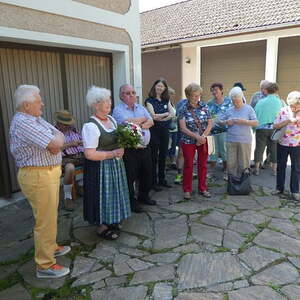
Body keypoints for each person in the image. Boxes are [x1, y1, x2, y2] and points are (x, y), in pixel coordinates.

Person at [9, 85, 70, 279]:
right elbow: (57, 143)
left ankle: (51, 247)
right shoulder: (23, 122)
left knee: (49, 216)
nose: (42, 103)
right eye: (38, 100)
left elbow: (59, 135)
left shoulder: (35, 119)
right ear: (26, 105)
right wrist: (55, 142)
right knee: (44, 220)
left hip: (46, 174)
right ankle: (44, 265)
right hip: (38, 176)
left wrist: (56, 142)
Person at [82, 86, 131, 240]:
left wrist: (122, 146)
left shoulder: (111, 120)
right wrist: (113, 153)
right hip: (100, 167)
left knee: (115, 192)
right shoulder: (90, 126)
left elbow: (118, 139)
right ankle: (102, 227)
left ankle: (112, 220)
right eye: (105, 101)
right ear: (96, 105)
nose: (109, 103)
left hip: (115, 164)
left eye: (109, 100)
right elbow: (89, 154)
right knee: (102, 195)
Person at [113, 84, 155, 213]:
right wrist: (142, 120)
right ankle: (131, 202)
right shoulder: (118, 110)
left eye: (133, 92)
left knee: (147, 173)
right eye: (127, 93)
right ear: (121, 96)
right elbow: (126, 123)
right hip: (130, 149)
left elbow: (151, 121)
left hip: (145, 148)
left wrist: (138, 124)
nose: (132, 95)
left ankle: (143, 196)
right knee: (130, 177)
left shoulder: (140, 107)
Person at [178, 83, 213, 199]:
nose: (197, 98)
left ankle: (202, 188)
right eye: (194, 96)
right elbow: (183, 127)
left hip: (203, 139)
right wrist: (196, 137)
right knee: (188, 164)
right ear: (188, 95)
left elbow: (210, 123)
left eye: (199, 95)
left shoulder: (204, 105)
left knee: (203, 165)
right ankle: (187, 189)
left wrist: (202, 137)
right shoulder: (183, 108)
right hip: (188, 140)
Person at [218, 87, 258, 177]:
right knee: (231, 163)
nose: (235, 103)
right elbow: (220, 122)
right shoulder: (229, 110)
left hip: (245, 140)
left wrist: (244, 121)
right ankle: (232, 183)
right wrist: (226, 122)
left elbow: (256, 123)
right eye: (233, 101)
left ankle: (243, 183)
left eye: (237, 101)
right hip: (231, 140)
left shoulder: (249, 109)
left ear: (242, 98)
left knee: (243, 163)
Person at [145, 79, 175, 189]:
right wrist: (166, 114)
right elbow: (153, 116)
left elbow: (172, 114)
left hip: (165, 131)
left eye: (162, 86)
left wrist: (161, 116)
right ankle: (153, 182)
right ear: (154, 87)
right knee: (154, 157)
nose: (160, 88)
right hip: (154, 131)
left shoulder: (166, 100)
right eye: (158, 86)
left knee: (163, 155)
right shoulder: (149, 101)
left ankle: (162, 179)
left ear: (165, 88)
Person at [54, 110, 84, 211]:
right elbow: (54, 148)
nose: (67, 126)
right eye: (65, 125)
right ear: (59, 123)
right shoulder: (54, 132)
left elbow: (81, 141)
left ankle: (81, 186)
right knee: (70, 168)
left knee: (93, 161)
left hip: (79, 155)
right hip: (64, 159)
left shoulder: (73, 130)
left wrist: (81, 142)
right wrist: (71, 144)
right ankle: (68, 197)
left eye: (68, 124)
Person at [273, 91, 300, 201]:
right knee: (281, 167)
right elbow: (275, 125)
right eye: (291, 105)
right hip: (283, 143)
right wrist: (288, 121)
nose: (293, 108)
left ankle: (295, 191)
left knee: (296, 169)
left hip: (297, 145)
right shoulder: (283, 111)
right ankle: (279, 188)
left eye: (296, 106)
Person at [253, 83, 282, 176]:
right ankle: (274, 170)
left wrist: (254, 128)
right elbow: (281, 115)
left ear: (267, 90)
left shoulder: (260, 102)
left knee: (259, 149)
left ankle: (257, 169)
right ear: (276, 91)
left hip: (261, 128)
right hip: (274, 128)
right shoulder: (279, 102)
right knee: (274, 149)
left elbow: (255, 114)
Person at [207, 83, 232, 179]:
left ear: (221, 90)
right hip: (211, 131)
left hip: (225, 131)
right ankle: (211, 172)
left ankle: (226, 171)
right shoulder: (209, 103)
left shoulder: (229, 102)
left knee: (225, 153)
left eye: (216, 90)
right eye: (212, 90)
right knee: (211, 152)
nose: (214, 92)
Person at [167, 87, 178, 169]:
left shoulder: (171, 103)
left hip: (175, 128)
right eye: (171, 94)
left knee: (173, 146)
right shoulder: (165, 104)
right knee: (168, 146)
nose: (172, 96)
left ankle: (173, 162)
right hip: (168, 129)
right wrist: (173, 118)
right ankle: (167, 163)